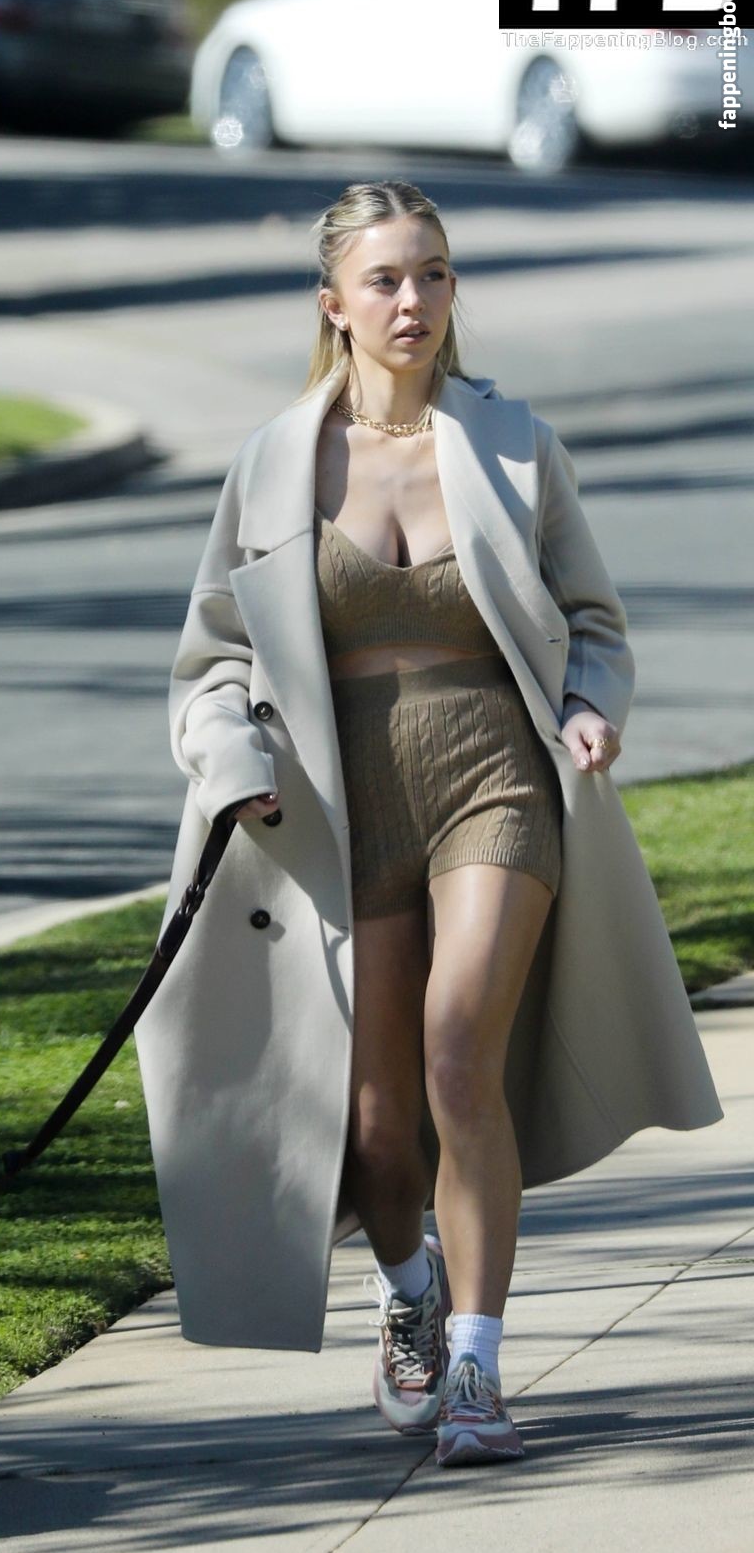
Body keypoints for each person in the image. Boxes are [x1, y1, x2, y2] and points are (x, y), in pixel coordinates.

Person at [226, 180, 621, 1466]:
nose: (414, 301)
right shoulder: (275, 464)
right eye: (386, 280)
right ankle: (407, 1292)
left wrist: (586, 706)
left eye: (434, 274)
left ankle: (475, 1369)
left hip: (491, 778)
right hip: (342, 810)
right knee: (378, 1126)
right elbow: (214, 660)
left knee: (459, 1057)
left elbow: (591, 621)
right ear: (331, 305)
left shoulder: (509, 443)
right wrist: (234, 759)